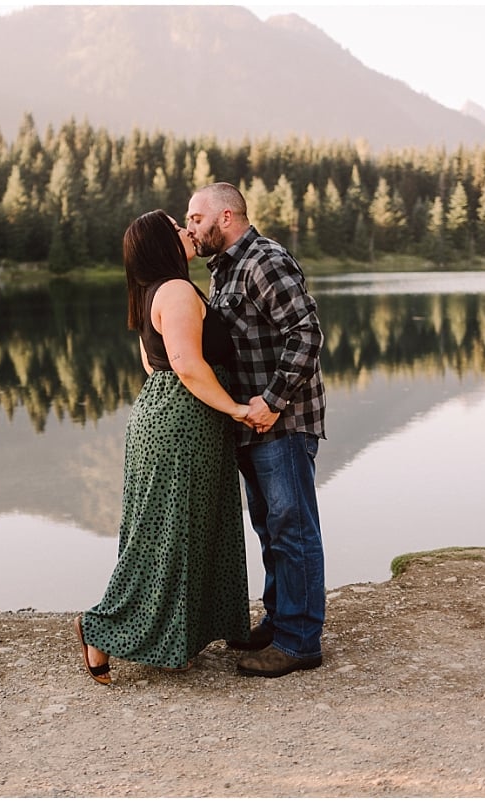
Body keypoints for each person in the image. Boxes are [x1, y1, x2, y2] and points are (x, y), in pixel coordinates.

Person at [74, 209, 254, 685]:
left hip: (169, 416)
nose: (187, 231)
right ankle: (98, 629)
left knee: (178, 529)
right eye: (178, 228)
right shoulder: (174, 292)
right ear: (162, 245)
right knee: (167, 533)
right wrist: (235, 409)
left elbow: (154, 368)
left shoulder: (150, 293)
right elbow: (185, 366)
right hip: (183, 424)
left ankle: (177, 637)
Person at [185, 182, 327, 679]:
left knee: (293, 530)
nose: (191, 228)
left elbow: (307, 333)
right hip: (252, 423)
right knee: (271, 529)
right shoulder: (226, 269)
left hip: (281, 423)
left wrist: (272, 401)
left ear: (226, 216)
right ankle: (280, 619)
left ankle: (300, 641)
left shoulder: (263, 260)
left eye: (197, 219)